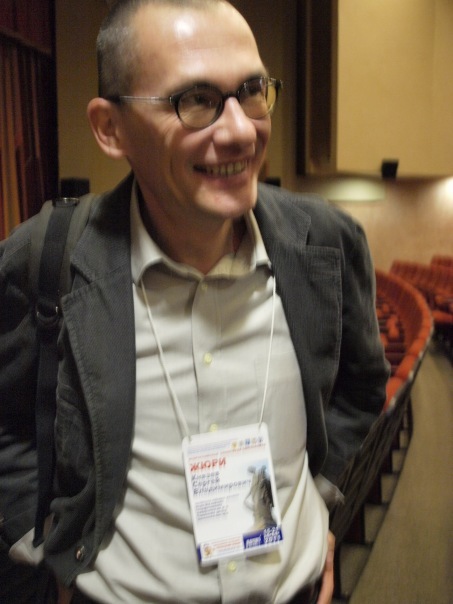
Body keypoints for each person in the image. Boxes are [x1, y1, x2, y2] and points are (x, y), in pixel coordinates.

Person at [0, 0, 389, 602]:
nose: (240, 131)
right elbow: (7, 425)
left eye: (251, 91)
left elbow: (360, 389)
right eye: (196, 100)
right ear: (110, 128)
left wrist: (321, 500)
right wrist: (42, 548)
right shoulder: (43, 259)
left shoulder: (327, 243)